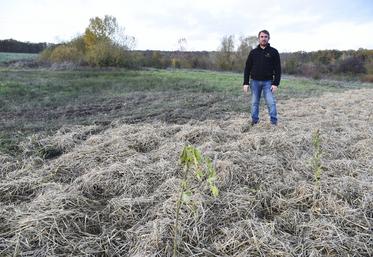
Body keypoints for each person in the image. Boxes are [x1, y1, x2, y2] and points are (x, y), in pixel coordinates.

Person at [243, 29, 281, 126]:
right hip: (254, 82)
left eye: (265, 37)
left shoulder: (274, 52)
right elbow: (247, 68)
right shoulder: (253, 52)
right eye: (262, 37)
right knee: (254, 103)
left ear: (268, 38)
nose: (263, 39)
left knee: (271, 102)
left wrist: (276, 83)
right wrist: (246, 83)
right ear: (258, 38)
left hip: (268, 82)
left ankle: (274, 122)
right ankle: (254, 121)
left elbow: (278, 69)